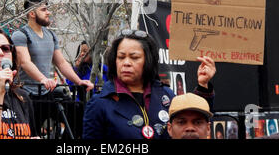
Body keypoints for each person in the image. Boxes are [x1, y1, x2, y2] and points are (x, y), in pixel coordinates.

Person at [82, 29, 216, 139]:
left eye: (134, 57)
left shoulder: (167, 95)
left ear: (148, 61)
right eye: (121, 57)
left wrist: (203, 85)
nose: (126, 63)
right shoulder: (99, 103)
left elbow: (193, 120)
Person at [11, 0, 94, 135]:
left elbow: (61, 63)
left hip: (45, 92)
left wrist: (79, 81)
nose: (48, 12)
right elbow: (25, 62)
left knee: (76, 114)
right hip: (27, 94)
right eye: (43, 10)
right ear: (32, 14)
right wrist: (43, 79)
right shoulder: (21, 35)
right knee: (32, 133)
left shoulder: (51, 35)